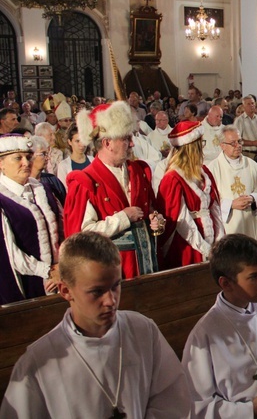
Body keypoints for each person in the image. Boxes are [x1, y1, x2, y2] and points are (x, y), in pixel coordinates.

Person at [0, 232, 191, 418]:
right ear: (66, 291)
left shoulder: (143, 330)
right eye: (97, 291)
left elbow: (171, 397)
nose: (111, 301)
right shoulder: (38, 363)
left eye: (116, 285)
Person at [181, 233, 257, 418]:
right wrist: (250, 411)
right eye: (254, 276)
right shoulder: (205, 334)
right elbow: (197, 404)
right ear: (226, 283)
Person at [65, 101, 163, 279]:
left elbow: (151, 210)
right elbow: (81, 236)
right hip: (113, 273)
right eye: (126, 139)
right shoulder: (85, 181)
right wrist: (123, 218)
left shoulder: (138, 171)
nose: (132, 144)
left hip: (147, 266)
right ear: (107, 143)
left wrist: (156, 220)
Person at [0, 134, 63, 304]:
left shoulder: (44, 189)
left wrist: (62, 267)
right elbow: (11, 253)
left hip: (60, 279)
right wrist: (47, 271)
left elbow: (64, 230)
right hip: (27, 283)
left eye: (28, 157)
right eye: (17, 158)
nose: (26, 163)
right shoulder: (2, 200)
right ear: (1, 164)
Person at [157, 120, 224, 269]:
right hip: (188, 243)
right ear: (192, 148)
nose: (203, 147)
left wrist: (219, 240)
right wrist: (205, 248)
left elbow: (215, 208)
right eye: (201, 143)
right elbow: (180, 219)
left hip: (211, 238)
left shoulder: (204, 172)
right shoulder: (172, 178)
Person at [207, 126, 257, 239]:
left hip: (250, 222)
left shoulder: (252, 165)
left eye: (239, 141)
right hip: (227, 225)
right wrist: (230, 204)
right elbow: (209, 200)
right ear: (222, 145)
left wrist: (253, 198)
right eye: (233, 143)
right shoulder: (213, 168)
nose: (238, 145)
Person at [28, 135, 66, 205]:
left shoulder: (53, 180)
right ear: (31, 156)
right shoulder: (25, 184)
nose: (47, 158)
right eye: (43, 154)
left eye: (47, 154)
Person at [56, 124, 93, 189]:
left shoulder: (93, 161)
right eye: (77, 141)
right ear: (70, 142)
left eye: (84, 140)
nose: (81, 145)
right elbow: (64, 191)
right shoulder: (63, 166)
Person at [234, 94, 257, 162]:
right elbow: (237, 140)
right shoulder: (239, 120)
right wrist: (253, 143)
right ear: (243, 106)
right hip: (247, 154)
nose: (251, 105)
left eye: (252, 103)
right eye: (248, 104)